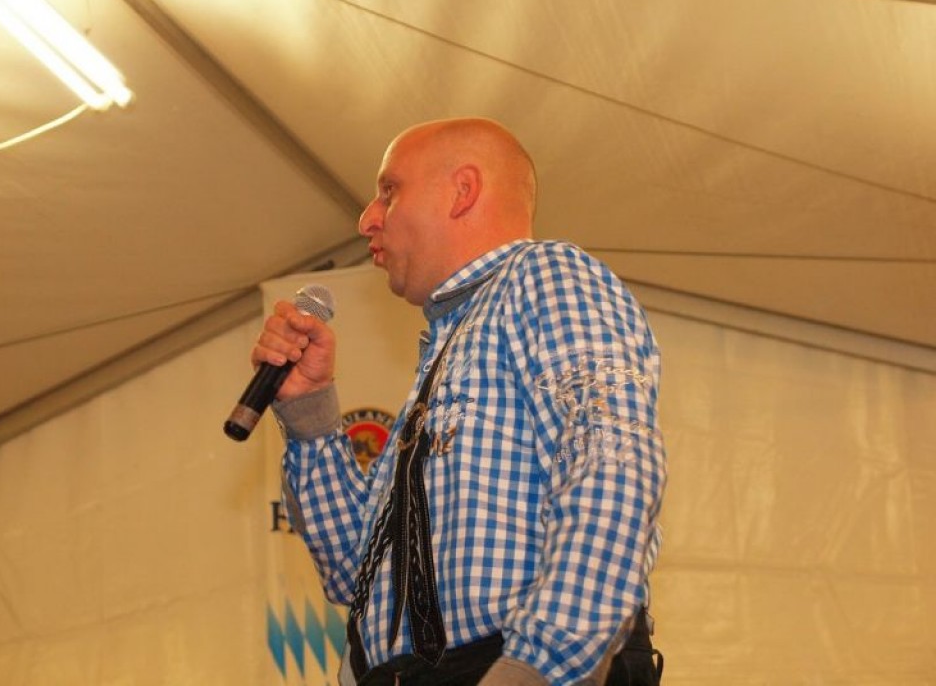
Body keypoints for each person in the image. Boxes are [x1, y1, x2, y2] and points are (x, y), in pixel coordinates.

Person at [253, 118, 666, 685]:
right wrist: (309, 411)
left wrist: (536, 667)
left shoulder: (544, 275)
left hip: (506, 663)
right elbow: (353, 573)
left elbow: (614, 465)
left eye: (389, 191)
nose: (367, 219)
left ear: (462, 191)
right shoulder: (449, 351)